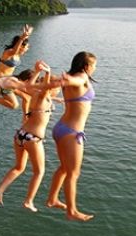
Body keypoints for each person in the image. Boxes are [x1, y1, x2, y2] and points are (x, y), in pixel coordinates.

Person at [0, 64, 63, 212]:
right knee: (39, 172)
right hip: (33, 139)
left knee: (19, 167)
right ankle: (29, 201)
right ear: (51, 88)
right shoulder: (43, 95)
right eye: (58, 89)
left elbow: (31, 85)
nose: (59, 91)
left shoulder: (35, 93)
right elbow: (45, 90)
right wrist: (48, 73)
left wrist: (38, 72)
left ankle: (0, 190)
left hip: (20, 135)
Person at [46, 51, 97, 222]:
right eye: (93, 65)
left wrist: (57, 77)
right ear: (86, 66)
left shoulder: (69, 78)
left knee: (63, 168)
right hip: (72, 133)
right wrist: (68, 80)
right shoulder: (81, 77)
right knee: (73, 174)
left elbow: (65, 80)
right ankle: (72, 211)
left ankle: (53, 199)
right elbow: (78, 81)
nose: (94, 68)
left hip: (61, 128)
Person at [0, 24, 33, 122]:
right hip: (1, 80)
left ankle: (27, 116)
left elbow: (18, 48)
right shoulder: (8, 52)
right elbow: (15, 49)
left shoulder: (17, 54)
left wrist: (26, 36)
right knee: (15, 104)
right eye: (26, 47)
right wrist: (22, 39)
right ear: (21, 46)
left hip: (8, 80)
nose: (28, 49)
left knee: (28, 95)